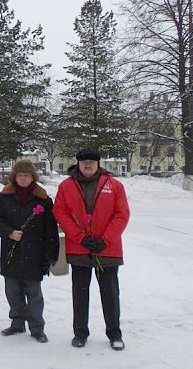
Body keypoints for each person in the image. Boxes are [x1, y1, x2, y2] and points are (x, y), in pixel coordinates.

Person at [53, 148, 129, 351]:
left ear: (98, 164)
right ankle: (80, 333)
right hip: (79, 248)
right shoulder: (66, 185)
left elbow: (122, 214)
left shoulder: (114, 185)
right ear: (78, 163)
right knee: (80, 293)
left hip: (107, 250)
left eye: (91, 162)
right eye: (84, 161)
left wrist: (106, 240)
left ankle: (114, 333)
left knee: (110, 293)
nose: (87, 165)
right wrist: (80, 238)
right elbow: (60, 212)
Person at [0, 159, 59, 343]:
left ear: (32, 177)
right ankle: (17, 323)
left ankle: (37, 327)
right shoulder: (4, 197)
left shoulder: (43, 200)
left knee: (34, 293)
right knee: (13, 291)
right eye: (20, 175)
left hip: (34, 254)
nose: (23, 178)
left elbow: (50, 229)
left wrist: (51, 255)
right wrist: (9, 232)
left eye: (26, 175)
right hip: (11, 251)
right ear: (14, 177)